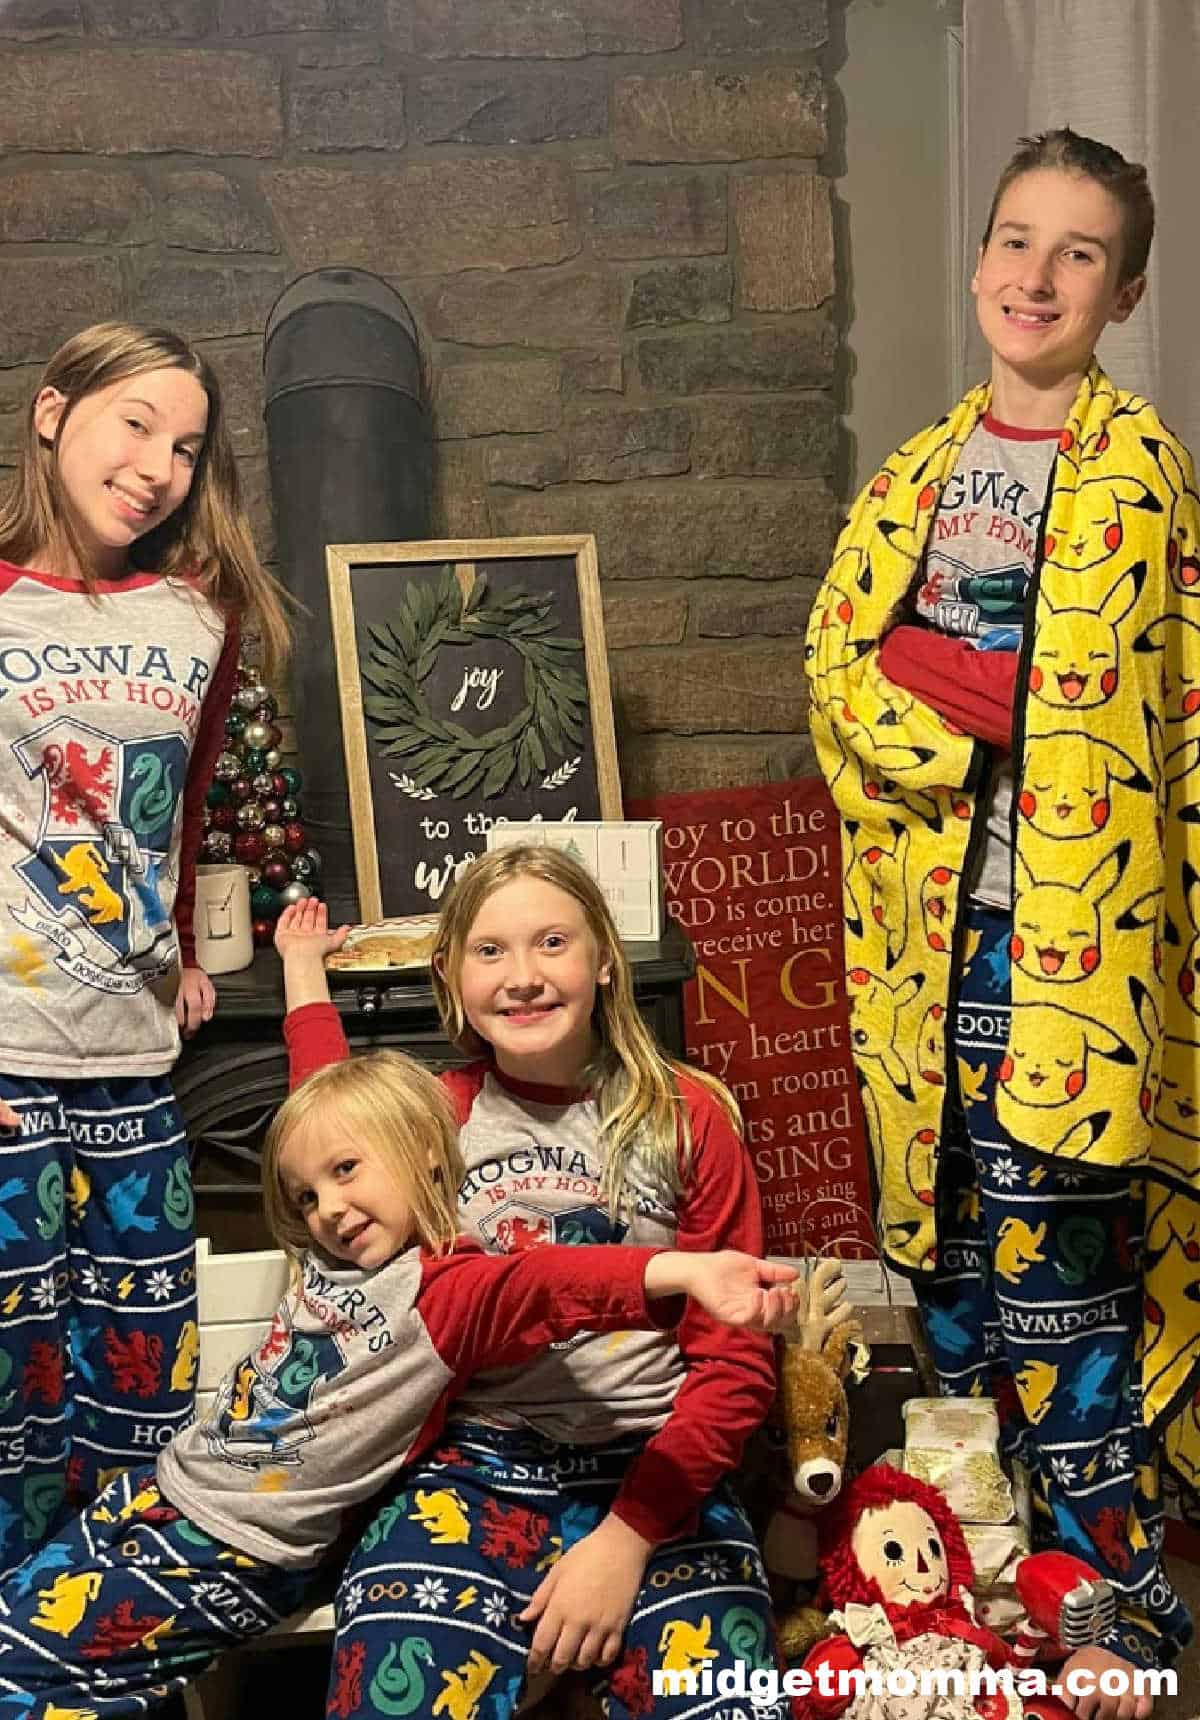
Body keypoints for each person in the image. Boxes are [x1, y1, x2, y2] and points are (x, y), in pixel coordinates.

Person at [805, 129, 1199, 1720]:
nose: (1034, 276)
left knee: (1066, 1285)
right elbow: (840, 670)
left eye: (1078, 252)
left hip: (1078, 954)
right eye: (1015, 241)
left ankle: (1125, 1608)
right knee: (953, 1279)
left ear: (1127, 289)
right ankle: (976, 1588)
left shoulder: (1142, 470)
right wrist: (967, 718)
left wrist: (965, 683)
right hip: (921, 944)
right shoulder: (913, 472)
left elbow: (1146, 703)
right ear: (979, 260)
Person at [0, 972, 798, 1719]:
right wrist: (303, 968)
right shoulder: (333, 1251)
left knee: (24, 1674)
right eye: (308, 1196)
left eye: (348, 1172)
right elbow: (324, 1102)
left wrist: (682, 1270)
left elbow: (550, 1284)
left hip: (246, 1543)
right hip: (167, 1486)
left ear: (421, 1151)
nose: (330, 1208)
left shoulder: (445, 1291)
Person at [282, 855, 792, 1720]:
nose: (522, 979)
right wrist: (302, 974)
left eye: (551, 943)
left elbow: (736, 1367)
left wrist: (626, 1541)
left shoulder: (686, 1116)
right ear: (450, 973)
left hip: (654, 1463)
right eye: (489, 951)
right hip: (474, 1465)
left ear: (602, 959)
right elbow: (326, 1127)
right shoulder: (434, 1116)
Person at [0, 322, 290, 1571]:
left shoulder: (199, 615)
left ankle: (115, 1656)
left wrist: (177, 951)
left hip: (132, 1067)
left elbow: (180, 803)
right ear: (54, 414)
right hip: (6, 1060)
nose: (161, 465)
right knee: (16, 1408)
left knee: (142, 1391)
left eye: (186, 445)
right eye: (136, 425)